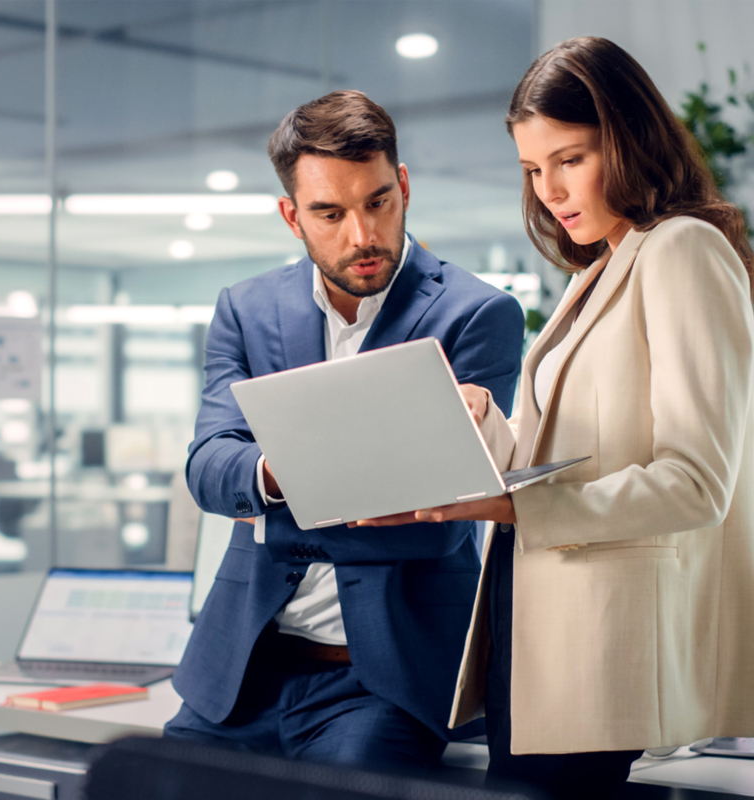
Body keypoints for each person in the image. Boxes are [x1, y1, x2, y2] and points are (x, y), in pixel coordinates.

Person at [355, 37, 754, 798]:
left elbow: (698, 484)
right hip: (535, 632)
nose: (550, 191)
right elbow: (578, 452)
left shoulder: (682, 251)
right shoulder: (600, 265)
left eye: (569, 159)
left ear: (629, 136)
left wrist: (509, 502)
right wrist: (481, 426)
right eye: (534, 170)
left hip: (598, 653)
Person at [164, 90, 526, 772]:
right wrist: (283, 475)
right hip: (240, 675)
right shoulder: (246, 310)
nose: (362, 234)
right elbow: (210, 469)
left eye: (379, 201)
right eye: (330, 213)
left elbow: (438, 521)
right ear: (291, 215)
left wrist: (270, 510)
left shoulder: (477, 315)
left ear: (405, 185)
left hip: (380, 686)